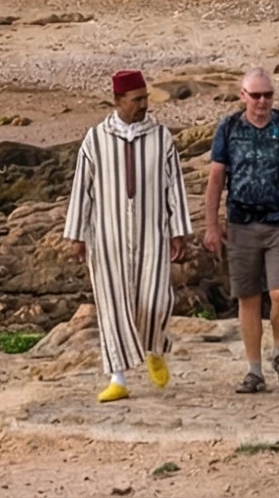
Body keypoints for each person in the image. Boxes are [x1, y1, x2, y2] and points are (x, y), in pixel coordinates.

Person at [62, 70, 193, 402]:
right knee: (113, 304)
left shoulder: (161, 137)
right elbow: (82, 188)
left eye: (145, 98)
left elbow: (174, 186)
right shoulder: (95, 139)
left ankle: (155, 347)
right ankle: (117, 378)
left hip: (152, 232)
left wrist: (178, 231)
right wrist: (76, 236)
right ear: (119, 100)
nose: (144, 104)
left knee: (157, 300)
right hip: (107, 238)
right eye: (137, 100)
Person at [202, 67, 279, 393]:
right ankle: (254, 370)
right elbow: (216, 178)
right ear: (243, 96)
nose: (263, 101)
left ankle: (278, 350)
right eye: (256, 96)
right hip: (241, 224)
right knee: (248, 298)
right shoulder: (229, 127)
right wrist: (211, 225)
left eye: (268, 95)